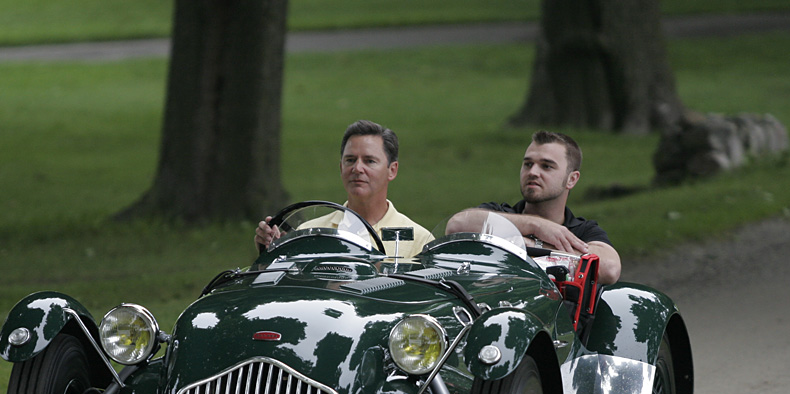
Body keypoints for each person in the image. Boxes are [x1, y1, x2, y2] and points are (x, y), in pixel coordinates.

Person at [448, 130, 621, 284]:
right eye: (528, 164)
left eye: (546, 166)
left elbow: (610, 268)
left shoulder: (583, 232)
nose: (533, 172)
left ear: (572, 179)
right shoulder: (499, 213)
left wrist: (534, 244)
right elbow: (456, 225)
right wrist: (536, 225)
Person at [255, 120, 434, 258]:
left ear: (392, 170)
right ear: (341, 168)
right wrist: (273, 255)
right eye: (350, 160)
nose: (357, 168)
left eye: (369, 161)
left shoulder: (419, 240)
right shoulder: (308, 232)